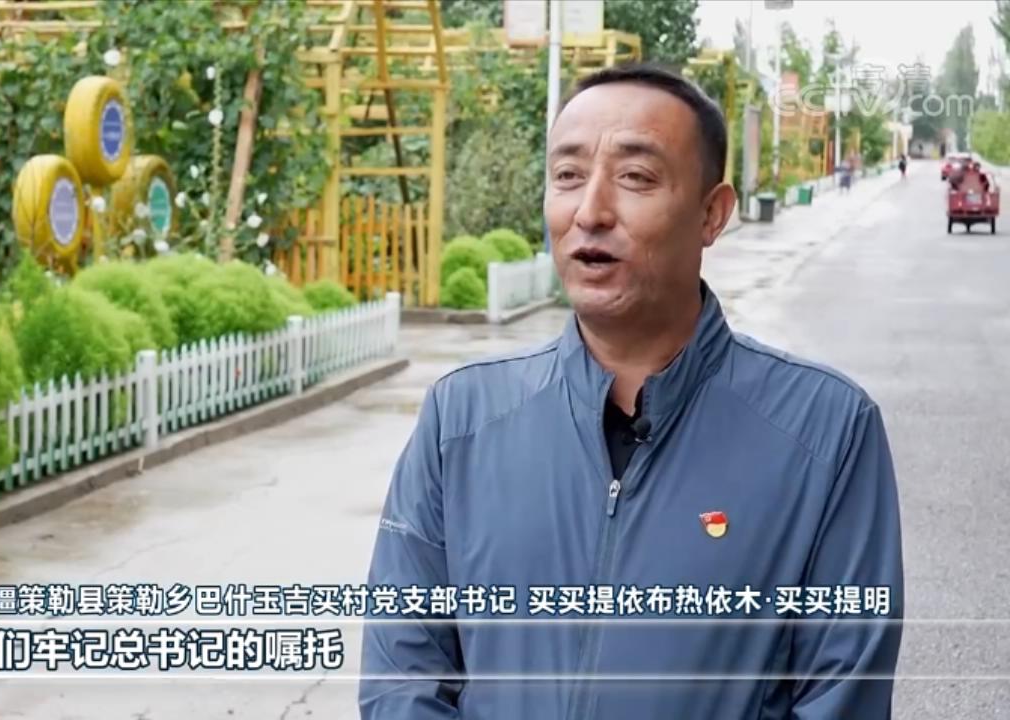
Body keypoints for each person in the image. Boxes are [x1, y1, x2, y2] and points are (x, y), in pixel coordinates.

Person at [360, 64, 903, 719]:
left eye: (636, 177)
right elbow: (403, 676)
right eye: (567, 175)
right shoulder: (462, 419)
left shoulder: (825, 430)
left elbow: (842, 695)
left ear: (712, 214)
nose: (590, 211)